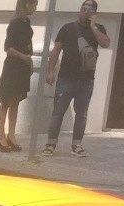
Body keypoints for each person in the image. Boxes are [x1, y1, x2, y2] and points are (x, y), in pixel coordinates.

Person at [44, 0, 110, 157]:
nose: (85, 11)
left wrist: (93, 27)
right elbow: (56, 50)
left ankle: (77, 144)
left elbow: (105, 43)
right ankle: (51, 143)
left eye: (89, 9)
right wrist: (50, 71)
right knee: (58, 112)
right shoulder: (67, 28)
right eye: (83, 8)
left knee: (82, 114)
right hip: (66, 77)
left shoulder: (98, 29)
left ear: (94, 13)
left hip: (86, 80)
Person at [0, 0, 38, 152]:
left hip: (23, 66)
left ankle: (11, 135)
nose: (36, 8)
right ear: (26, 4)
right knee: (6, 100)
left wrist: (29, 62)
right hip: (13, 66)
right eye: (34, 4)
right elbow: (8, 47)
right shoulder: (14, 23)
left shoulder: (27, 22)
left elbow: (28, 45)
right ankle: (0, 136)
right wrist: (23, 57)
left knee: (16, 100)